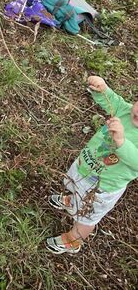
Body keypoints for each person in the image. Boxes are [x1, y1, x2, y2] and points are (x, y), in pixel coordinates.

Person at [46, 75, 138, 254]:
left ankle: (73, 240)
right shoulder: (125, 111)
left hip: (102, 187)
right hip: (85, 165)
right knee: (75, 186)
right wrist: (102, 88)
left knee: (87, 217)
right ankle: (72, 201)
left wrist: (120, 140)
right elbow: (112, 100)